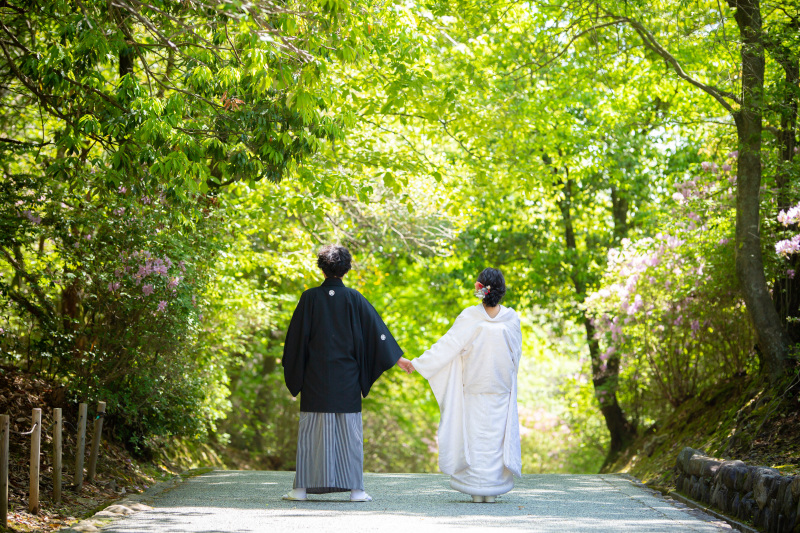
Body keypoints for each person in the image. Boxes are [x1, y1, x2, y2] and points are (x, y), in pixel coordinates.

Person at [281, 245, 407, 502]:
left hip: (315, 376)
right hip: (347, 378)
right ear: (346, 269)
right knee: (350, 434)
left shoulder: (309, 298)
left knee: (310, 434)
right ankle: (356, 491)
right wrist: (398, 358)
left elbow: (294, 340)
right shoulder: (354, 298)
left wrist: (294, 370)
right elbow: (378, 333)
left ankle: (301, 490)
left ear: (321, 268)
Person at [401, 268, 522, 503]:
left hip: (474, 388)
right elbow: (515, 356)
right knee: (495, 439)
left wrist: (417, 363)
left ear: (479, 288)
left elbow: (447, 346)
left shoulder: (470, 316)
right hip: (500, 389)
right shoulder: (511, 319)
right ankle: (493, 489)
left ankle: (477, 490)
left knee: (475, 438)